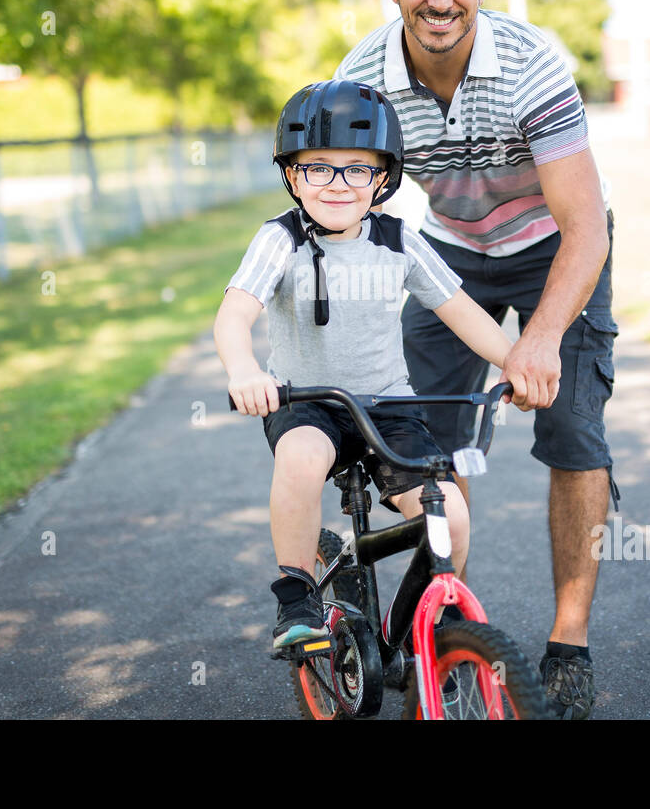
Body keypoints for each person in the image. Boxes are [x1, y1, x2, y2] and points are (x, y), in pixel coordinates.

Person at [334, 0, 617, 719]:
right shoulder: (361, 81)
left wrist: (540, 339)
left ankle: (568, 643)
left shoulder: (530, 65)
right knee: (425, 438)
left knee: (572, 431)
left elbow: (585, 226)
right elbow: (348, 212)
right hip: (453, 249)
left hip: (557, 247)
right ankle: (448, 620)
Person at [213, 79, 518, 654]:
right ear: (293, 174)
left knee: (449, 512)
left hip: (389, 405)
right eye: (318, 168)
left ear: (382, 178)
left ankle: (429, 630)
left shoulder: (400, 240)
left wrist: (515, 363)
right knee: (300, 461)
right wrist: (243, 370)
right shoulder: (279, 240)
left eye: (357, 169)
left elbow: (461, 312)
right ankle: (298, 598)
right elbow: (234, 315)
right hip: (306, 403)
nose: (337, 184)